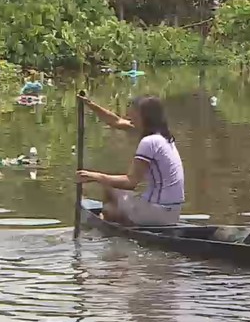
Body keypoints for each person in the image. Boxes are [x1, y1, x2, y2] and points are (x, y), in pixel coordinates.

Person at [76, 94, 185, 226]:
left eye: (134, 113)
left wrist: (93, 176)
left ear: (145, 117)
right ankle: (119, 218)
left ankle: (112, 224)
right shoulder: (163, 136)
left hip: (157, 213)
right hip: (173, 214)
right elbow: (115, 122)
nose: (130, 116)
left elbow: (130, 182)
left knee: (109, 189)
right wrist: (90, 104)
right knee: (116, 197)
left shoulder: (149, 141)